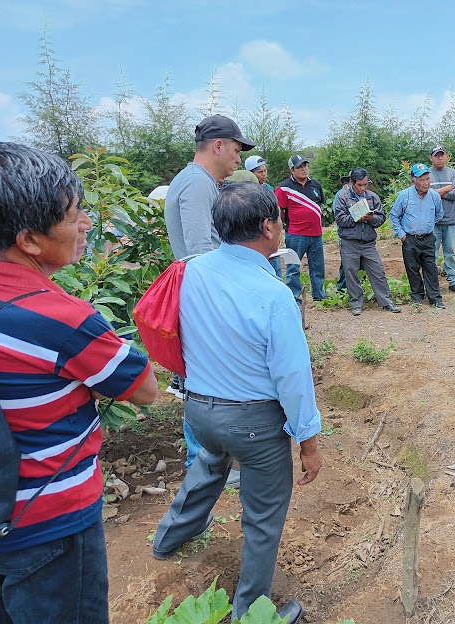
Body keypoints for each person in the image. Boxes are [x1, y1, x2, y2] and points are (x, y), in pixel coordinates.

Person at [0, 142, 158, 623]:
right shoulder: (60, 318)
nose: (87, 223)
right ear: (30, 240)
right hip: (49, 522)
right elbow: (145, 388)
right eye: (74, 214)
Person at [152, 182, 321, 622]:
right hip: (253, 423)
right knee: (263, 519)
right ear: (268, 226)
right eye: (279, 220)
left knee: (209, 463)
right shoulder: (272, 295)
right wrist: (309, 441)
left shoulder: (189, 270)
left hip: (200, 410)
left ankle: (167, 539)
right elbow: (293, 377)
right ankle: (252, 613)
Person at [164, 114, 254, 483]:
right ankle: (199, 465)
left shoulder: (197, 181)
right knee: (201, 384)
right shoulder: (198, 184)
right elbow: (200, 251)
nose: (237, 158)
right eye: (235, 149)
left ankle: (208, 462)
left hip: (200, 293)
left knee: (204, 381)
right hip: (203, 296)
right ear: (218, 145)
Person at [334, 168, 401, 316]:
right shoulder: (342, 197)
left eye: (365, 184)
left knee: (378, 271)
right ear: (351, 182)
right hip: (349, 242)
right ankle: (356, 304)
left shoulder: (372, 197)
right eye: (360, 185)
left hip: (368, 243)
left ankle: (386, 302)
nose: (363, 188)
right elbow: (340, 219)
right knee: (351, 274)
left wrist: (371, 218)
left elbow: (381, 218)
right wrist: (356, 217)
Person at [390, 163, 445, 308]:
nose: (426, 183)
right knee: (412, 268)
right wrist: (402, 235)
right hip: (410, 239)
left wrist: (427, 225)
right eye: (422, 180)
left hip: (428, 237)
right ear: (413, 180)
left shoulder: (434, 196)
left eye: (427, 179)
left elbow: (439, 214)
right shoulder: (404, 196)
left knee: (431, 268)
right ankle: (417, 296)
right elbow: (394, 216)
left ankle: (435, 299)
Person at [276, 155, 326, 302]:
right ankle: (294, 297)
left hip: (316, 234)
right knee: (293, 267)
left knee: (318, 266)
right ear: (292, 170)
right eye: (300, 167)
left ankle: (319, 295)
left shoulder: (315, 185)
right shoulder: (283, 188)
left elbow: (319, 205)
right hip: (296, 234)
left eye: (305, 165)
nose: (304, 169)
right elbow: (280, 211)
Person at [428, 144, 455, 293]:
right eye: (436, 155)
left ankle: (453, 281)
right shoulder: (427, 174)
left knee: (450, 252)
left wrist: (436, 192)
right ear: (431, 158)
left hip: (451, 221)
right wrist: (446, 189)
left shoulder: (453, 174)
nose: (439, 158)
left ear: (446, 156)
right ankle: (432, 283)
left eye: (442, 154)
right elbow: (425, 193)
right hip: (433, 222)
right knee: (432, 253)